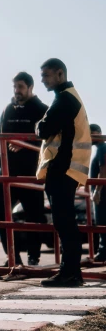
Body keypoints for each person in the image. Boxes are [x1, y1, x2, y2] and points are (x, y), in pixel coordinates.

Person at [35, 58, 91, 287]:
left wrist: (38, 125)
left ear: (60, 74)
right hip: (67, 169)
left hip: (63, 168)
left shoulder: (64, 99)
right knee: (66, 221)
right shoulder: (70, 97)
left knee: (64, 222)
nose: (43, 80)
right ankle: (72, 272)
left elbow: (44, 129)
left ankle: (69, 273)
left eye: (46, 75)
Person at [0, 72, 48, 272]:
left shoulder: (42, 110)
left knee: (35, 216)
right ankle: (12, 256)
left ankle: (33, 257)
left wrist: (27, 142)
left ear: (30, 88)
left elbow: (50, 139)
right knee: (0, 213)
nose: (17, 91)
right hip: (7, 172)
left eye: (21, 87)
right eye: (15, 87)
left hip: (32, 173)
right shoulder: (8, 110)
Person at [88, 124, 106, 261]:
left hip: (102, 192)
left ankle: (103, 252)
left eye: (92, 133)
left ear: (99, 133)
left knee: (102, 222)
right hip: (100, 190)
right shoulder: (99, 149)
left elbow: (103, 169)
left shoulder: (102, 147)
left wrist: (98, 191)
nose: (90, 137)